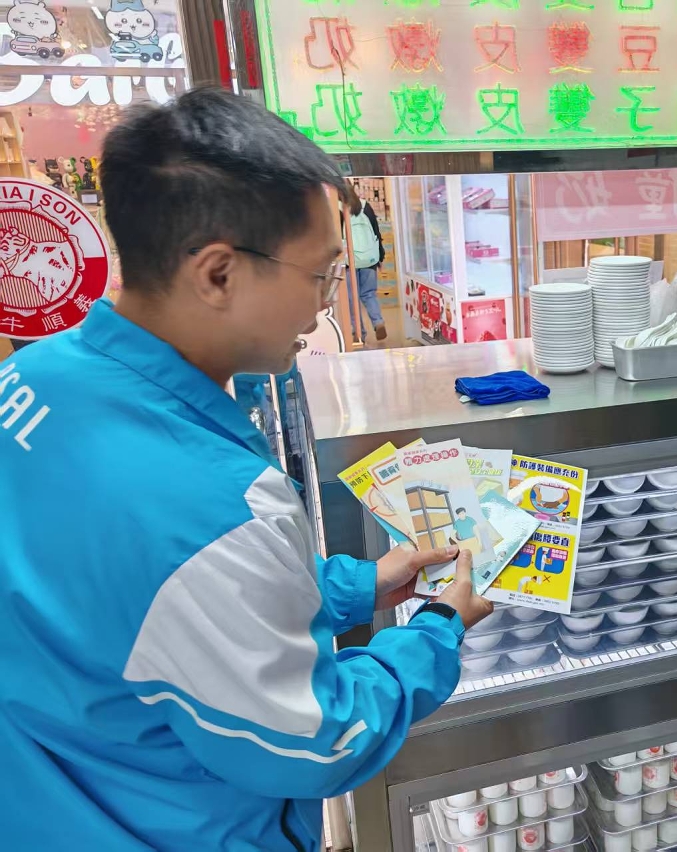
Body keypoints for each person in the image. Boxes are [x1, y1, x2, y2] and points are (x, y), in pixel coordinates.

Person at [0, 88, 494, 851]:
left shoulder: (33, 377)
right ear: (219, 274)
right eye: (321, 274)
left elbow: (141, 600)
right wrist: (435, 629)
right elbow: (318, 739)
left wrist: (355, 586)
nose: (322, 306)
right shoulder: (211, 505)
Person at [345, 182, 387, 344]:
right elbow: (376, 232)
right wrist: (380, 257)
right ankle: (378, 322)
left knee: (351, 297)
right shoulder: (365, 205)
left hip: (349, 260)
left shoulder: (339, 209)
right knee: (369, 294)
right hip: (369, 258)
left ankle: (358, 333)